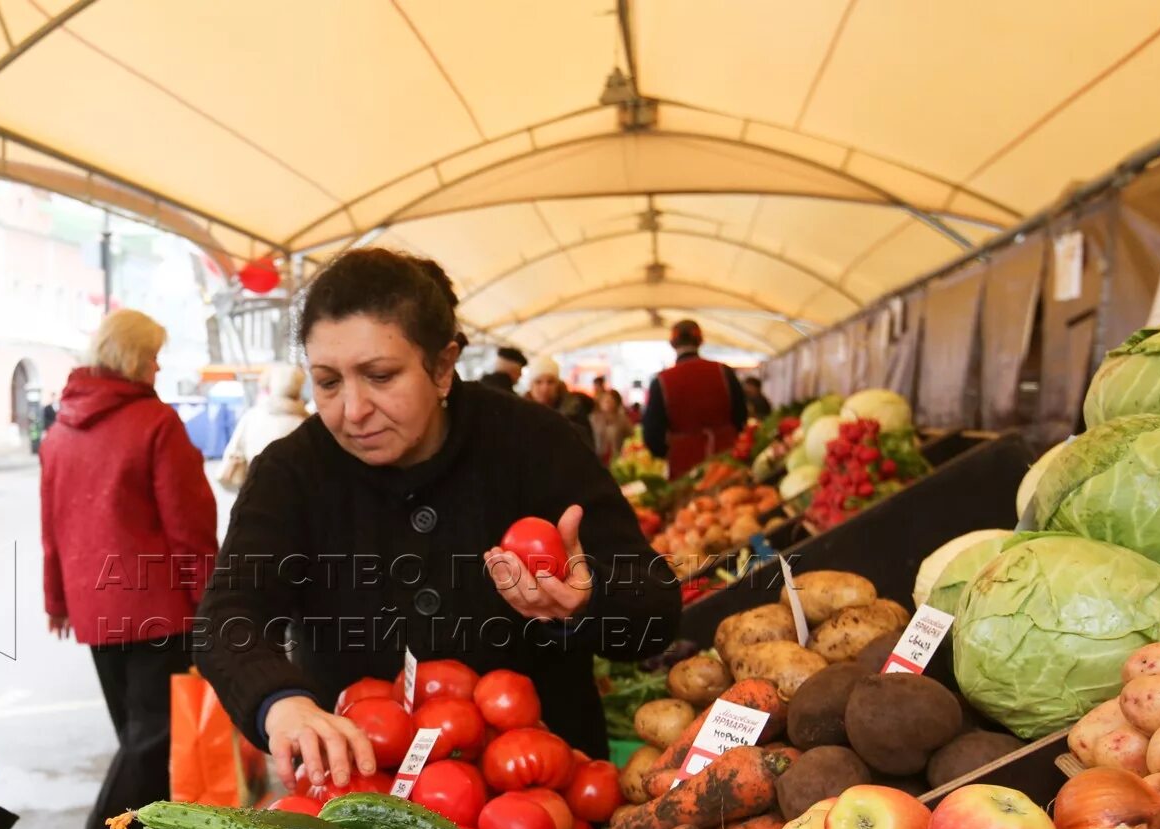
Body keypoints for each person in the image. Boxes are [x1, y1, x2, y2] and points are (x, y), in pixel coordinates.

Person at [195, 248, 679, 787]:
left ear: (443, 367)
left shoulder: (537, 444)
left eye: (380, 376)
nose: (352, 410)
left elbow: (656, 611)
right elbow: (227, 617)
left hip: (545, 791)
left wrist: (591, 600)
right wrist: (280, 703)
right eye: (328, 382)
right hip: (363, 795)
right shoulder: (291, 472)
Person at [41, 309, 218, 829]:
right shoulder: (155, 423)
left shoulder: (60, 429)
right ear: (130, 358)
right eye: (151, 355)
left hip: (96, 610)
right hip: (157, 605)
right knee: (153, 740)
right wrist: (209, 600)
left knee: (138, 740)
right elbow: (188, 526)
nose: (158, 365)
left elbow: (52, 527)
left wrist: (57, 601)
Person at [641, 320, 747, 478]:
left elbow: (652, 434)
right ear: (701, 341)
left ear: (672, 344)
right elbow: (741, 416)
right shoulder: (723, 372)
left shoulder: (662, 381)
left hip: (684, 463)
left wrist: (668, 452)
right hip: (726, 457)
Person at [219, 362, 308, 490]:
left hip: (254, 492)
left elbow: (233, 452)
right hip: (299, 497)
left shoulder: (252, 417)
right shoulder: (307, 423)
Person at [524, 356, 597, 451]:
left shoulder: (574, 410)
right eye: (538, 382)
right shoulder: (522, 412)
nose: (545, 388)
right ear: (530, 385)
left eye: (550, 382)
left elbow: (587, 448)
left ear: (557, 385)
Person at [591, 385, 634, 465]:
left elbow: (631, 437)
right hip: (597, 459)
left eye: (611, 400)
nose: (607, 403)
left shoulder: (623, 420)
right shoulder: (593, 419)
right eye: (605, 400)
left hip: (617, 460)